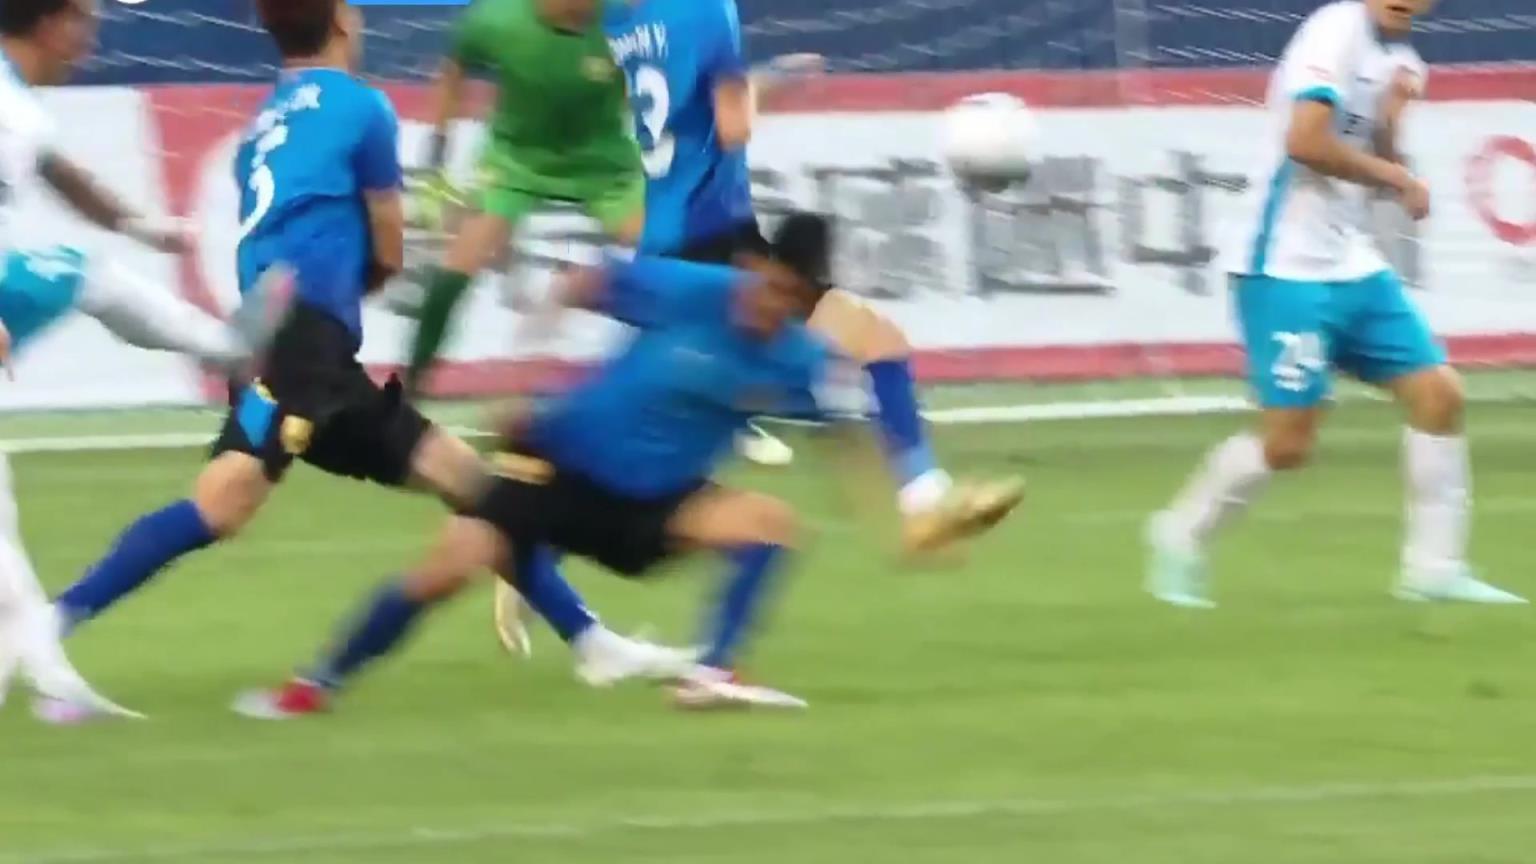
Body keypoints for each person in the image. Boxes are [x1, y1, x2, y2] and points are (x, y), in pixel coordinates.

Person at [47, 0, 687, 707]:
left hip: (295, 346)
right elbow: (388, 245)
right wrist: (373, 271)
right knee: (222, 503)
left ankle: (593, 642)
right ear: (344, 23)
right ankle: (46, 625)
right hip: (300, 347)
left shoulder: (266, 122)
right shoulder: (362, 106)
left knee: (471, 483)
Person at [487, 0, 1026, 658]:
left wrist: (757, 83)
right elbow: (732, 126)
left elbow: (661, 114)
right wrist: (764, 84)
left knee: (645, 429)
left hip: (672, 232)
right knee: (868, 348)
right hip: (715, 240)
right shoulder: (706, 10)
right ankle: (922, 503)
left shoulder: (624, 23)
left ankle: (923, 504)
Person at [233, 215, 920, 718]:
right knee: (448, 564)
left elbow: (847, 436)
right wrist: (527, 371)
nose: (768, 306)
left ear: (804, 304)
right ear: (752, 267)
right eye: (766, 285)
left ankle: (713, 673)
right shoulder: (693, 290)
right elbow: (579, 283)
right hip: (557, 469)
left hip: (655, 507)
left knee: (770, 525)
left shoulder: (799, 359)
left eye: (787, 299)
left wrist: (893, 517)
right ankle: (313, 687)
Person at [1146, 0, 1522, 608]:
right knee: (1288, 444)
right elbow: (1305, 142)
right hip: (1282, 268)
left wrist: (1392, 125)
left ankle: (1434, 569)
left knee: (1439, 394)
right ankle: (1180, 533)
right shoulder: (1336, 29)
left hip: (1349, 261)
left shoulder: (1403, 60)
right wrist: (1396, 178)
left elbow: (1376, 158)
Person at [0, 0, 289, 722]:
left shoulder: (18, 107)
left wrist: (146, 227)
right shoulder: (10, 109)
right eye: (86, 17)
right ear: (54, 23)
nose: (93, 35)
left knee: (82, 272)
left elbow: (61, 174)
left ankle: (54, 683)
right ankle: (228, 347)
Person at [400, 0, 645, 396]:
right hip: (515, 160)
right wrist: (437, 151)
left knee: (668, 252)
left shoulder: (628, 21)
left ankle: (681, 382)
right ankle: (409, 388)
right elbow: (453, 69)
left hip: (603, 166)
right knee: (457, 265)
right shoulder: (496, 20)